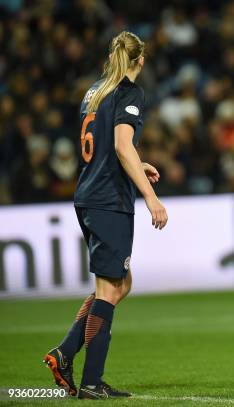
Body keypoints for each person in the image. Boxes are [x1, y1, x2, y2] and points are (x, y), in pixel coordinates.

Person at [43, 31, 168, 399]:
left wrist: (136, 164)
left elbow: (103, 147)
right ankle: (91, 380)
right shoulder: (130, 93)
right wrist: (150, 197)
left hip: (88, 193)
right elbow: (120, 144)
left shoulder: (94, 91)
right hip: (108, 200)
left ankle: (65, 352)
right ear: (140, 61)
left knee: (118, 285)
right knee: (110, 289)